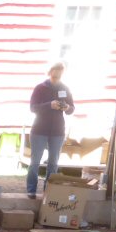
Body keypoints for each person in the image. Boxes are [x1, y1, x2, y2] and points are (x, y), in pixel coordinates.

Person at [26, 62, 75, 198]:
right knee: (35, 161)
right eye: (56, 69)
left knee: (53, 163)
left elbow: (72, 108)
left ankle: (49, 191)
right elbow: (33, 107)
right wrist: (50, 105)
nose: (58, 72)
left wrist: (66, 108)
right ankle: (31, 190)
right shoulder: (40, 88)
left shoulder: (65, 88)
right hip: (39, 129)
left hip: (58, 131)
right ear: (50, 71)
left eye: (61, 70)